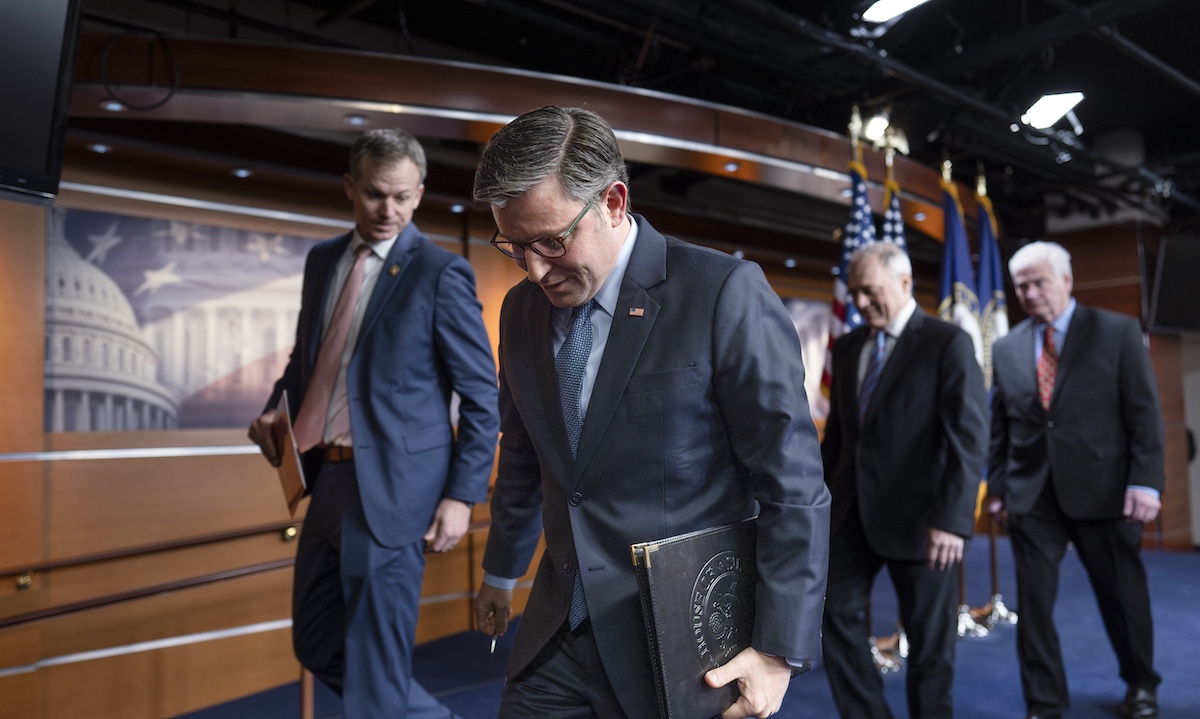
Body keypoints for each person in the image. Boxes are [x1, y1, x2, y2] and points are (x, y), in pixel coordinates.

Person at [471, 105, 831, 719]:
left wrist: (777, 652)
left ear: (613, 202)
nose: (535, 269)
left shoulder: (722, 292)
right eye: (515, 247)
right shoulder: (521, 311)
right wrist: (501, 572)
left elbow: (790, 481)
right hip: (560, 633)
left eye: (552, 241)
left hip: (681, 645)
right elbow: (526, 456)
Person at [247, 128, 499, 718]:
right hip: (326, 478)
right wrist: (274, 407)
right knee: (315, 640)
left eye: (403, 197)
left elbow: (481, 395)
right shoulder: (322, 261)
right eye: (375, 194)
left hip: (395, 489)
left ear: (419, 194)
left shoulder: (440, 272)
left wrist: (461, 496)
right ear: (349, 187)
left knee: (375, 663)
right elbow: (307, 360)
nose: (390, 209)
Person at [985, 240, 1163, 719]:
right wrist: (998, 489)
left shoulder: (1117, 332)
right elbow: (1000, 428)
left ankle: (1141, 684)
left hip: (1106, 492)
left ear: (1066, 280)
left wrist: (1146, 481)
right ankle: (1044, 703)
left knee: (1121, 596)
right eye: (1021, 286)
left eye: (1039, 283)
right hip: (1032, 498)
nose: (1030, 293)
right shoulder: (1006, 347)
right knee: (1034, 608)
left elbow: (1144, 413)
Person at [820, 241, 988, 719]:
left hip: (925, 522)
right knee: (831, 614)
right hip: (851, 515)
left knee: (930, 645)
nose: (860, 302)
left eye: (870, 291)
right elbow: (839, 439)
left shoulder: (947, 343)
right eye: (854, 292)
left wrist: (953, 520)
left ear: (905, 282)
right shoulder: (847, 347)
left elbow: (968, 439)